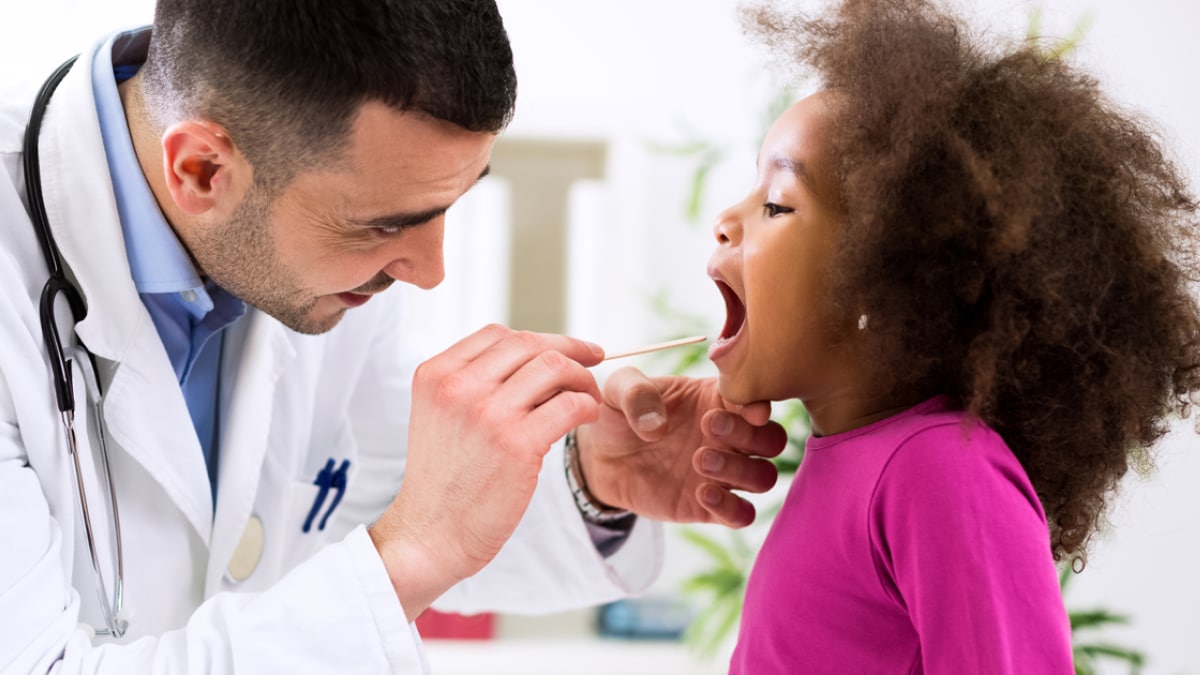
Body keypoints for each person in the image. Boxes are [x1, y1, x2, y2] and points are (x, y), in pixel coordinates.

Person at [0, 1, 788, 672]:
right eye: (386, 224)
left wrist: (585, 480)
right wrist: (407, 555)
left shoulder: (325, 259)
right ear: (203, 170)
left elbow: (364, 505)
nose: (430, 270)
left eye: (451, 205)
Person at [704, 0, 1200, 672]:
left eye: (776, 204)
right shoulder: (852, 458)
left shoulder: (939, 471)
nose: (726, 220)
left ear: (878, 275)